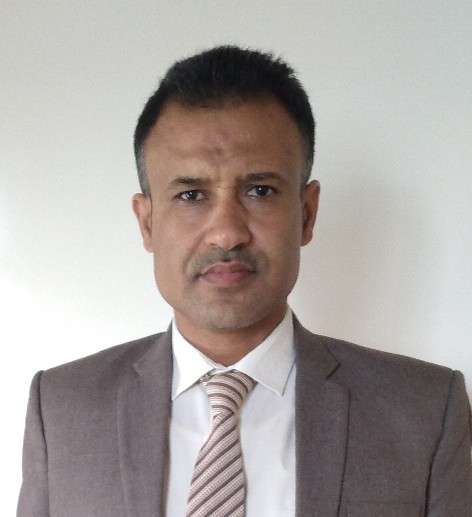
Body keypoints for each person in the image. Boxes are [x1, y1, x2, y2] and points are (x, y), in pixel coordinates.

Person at [17, 45, 472, 517]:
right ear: (147, 222)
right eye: (191, 195)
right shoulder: (63, 408)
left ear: (307, 214)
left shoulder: (424, 411)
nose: (226, 232)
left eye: (260, 190)